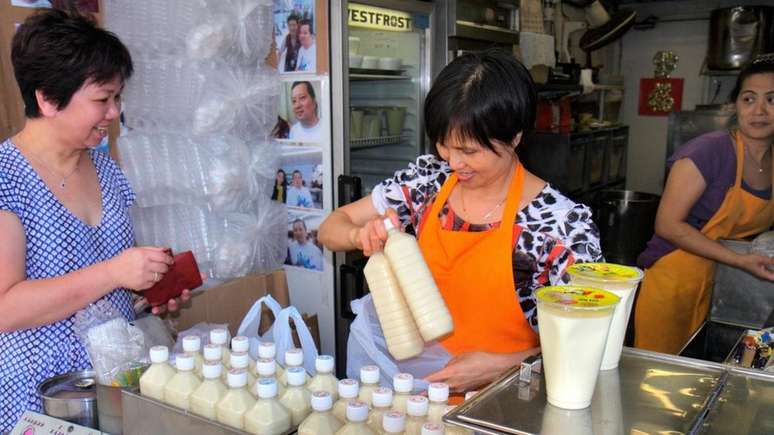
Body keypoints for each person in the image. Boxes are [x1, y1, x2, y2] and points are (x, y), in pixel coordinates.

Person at [318, 49, 603, 392]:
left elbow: (590, 346)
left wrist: (501, 368)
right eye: (444, 145)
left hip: (507, 403)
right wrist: (359, 234)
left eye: (469, 151)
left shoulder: (560, 226)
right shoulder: (427, 182)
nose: (454, 162)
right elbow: (330, 228)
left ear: (514, 137)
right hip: (421, 397)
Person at [0, 10, 189, 429]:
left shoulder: (107, 171)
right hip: (39, 396)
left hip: (113, 382)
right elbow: (5, 306)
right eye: (102, 100)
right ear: (48, 98)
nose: (114, 113)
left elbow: (111, 280)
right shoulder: (6, 176)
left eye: (118, 98)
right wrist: (115, 272)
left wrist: (148, 291)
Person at [635, 54, 774, 354]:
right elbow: (668, 224)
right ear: (736, 105)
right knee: (659, 376)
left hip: (717, 281)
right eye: (749, 99)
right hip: (673, 279)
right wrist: (738, 260)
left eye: (771, 100)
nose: (759, 110)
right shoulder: (709, 151)